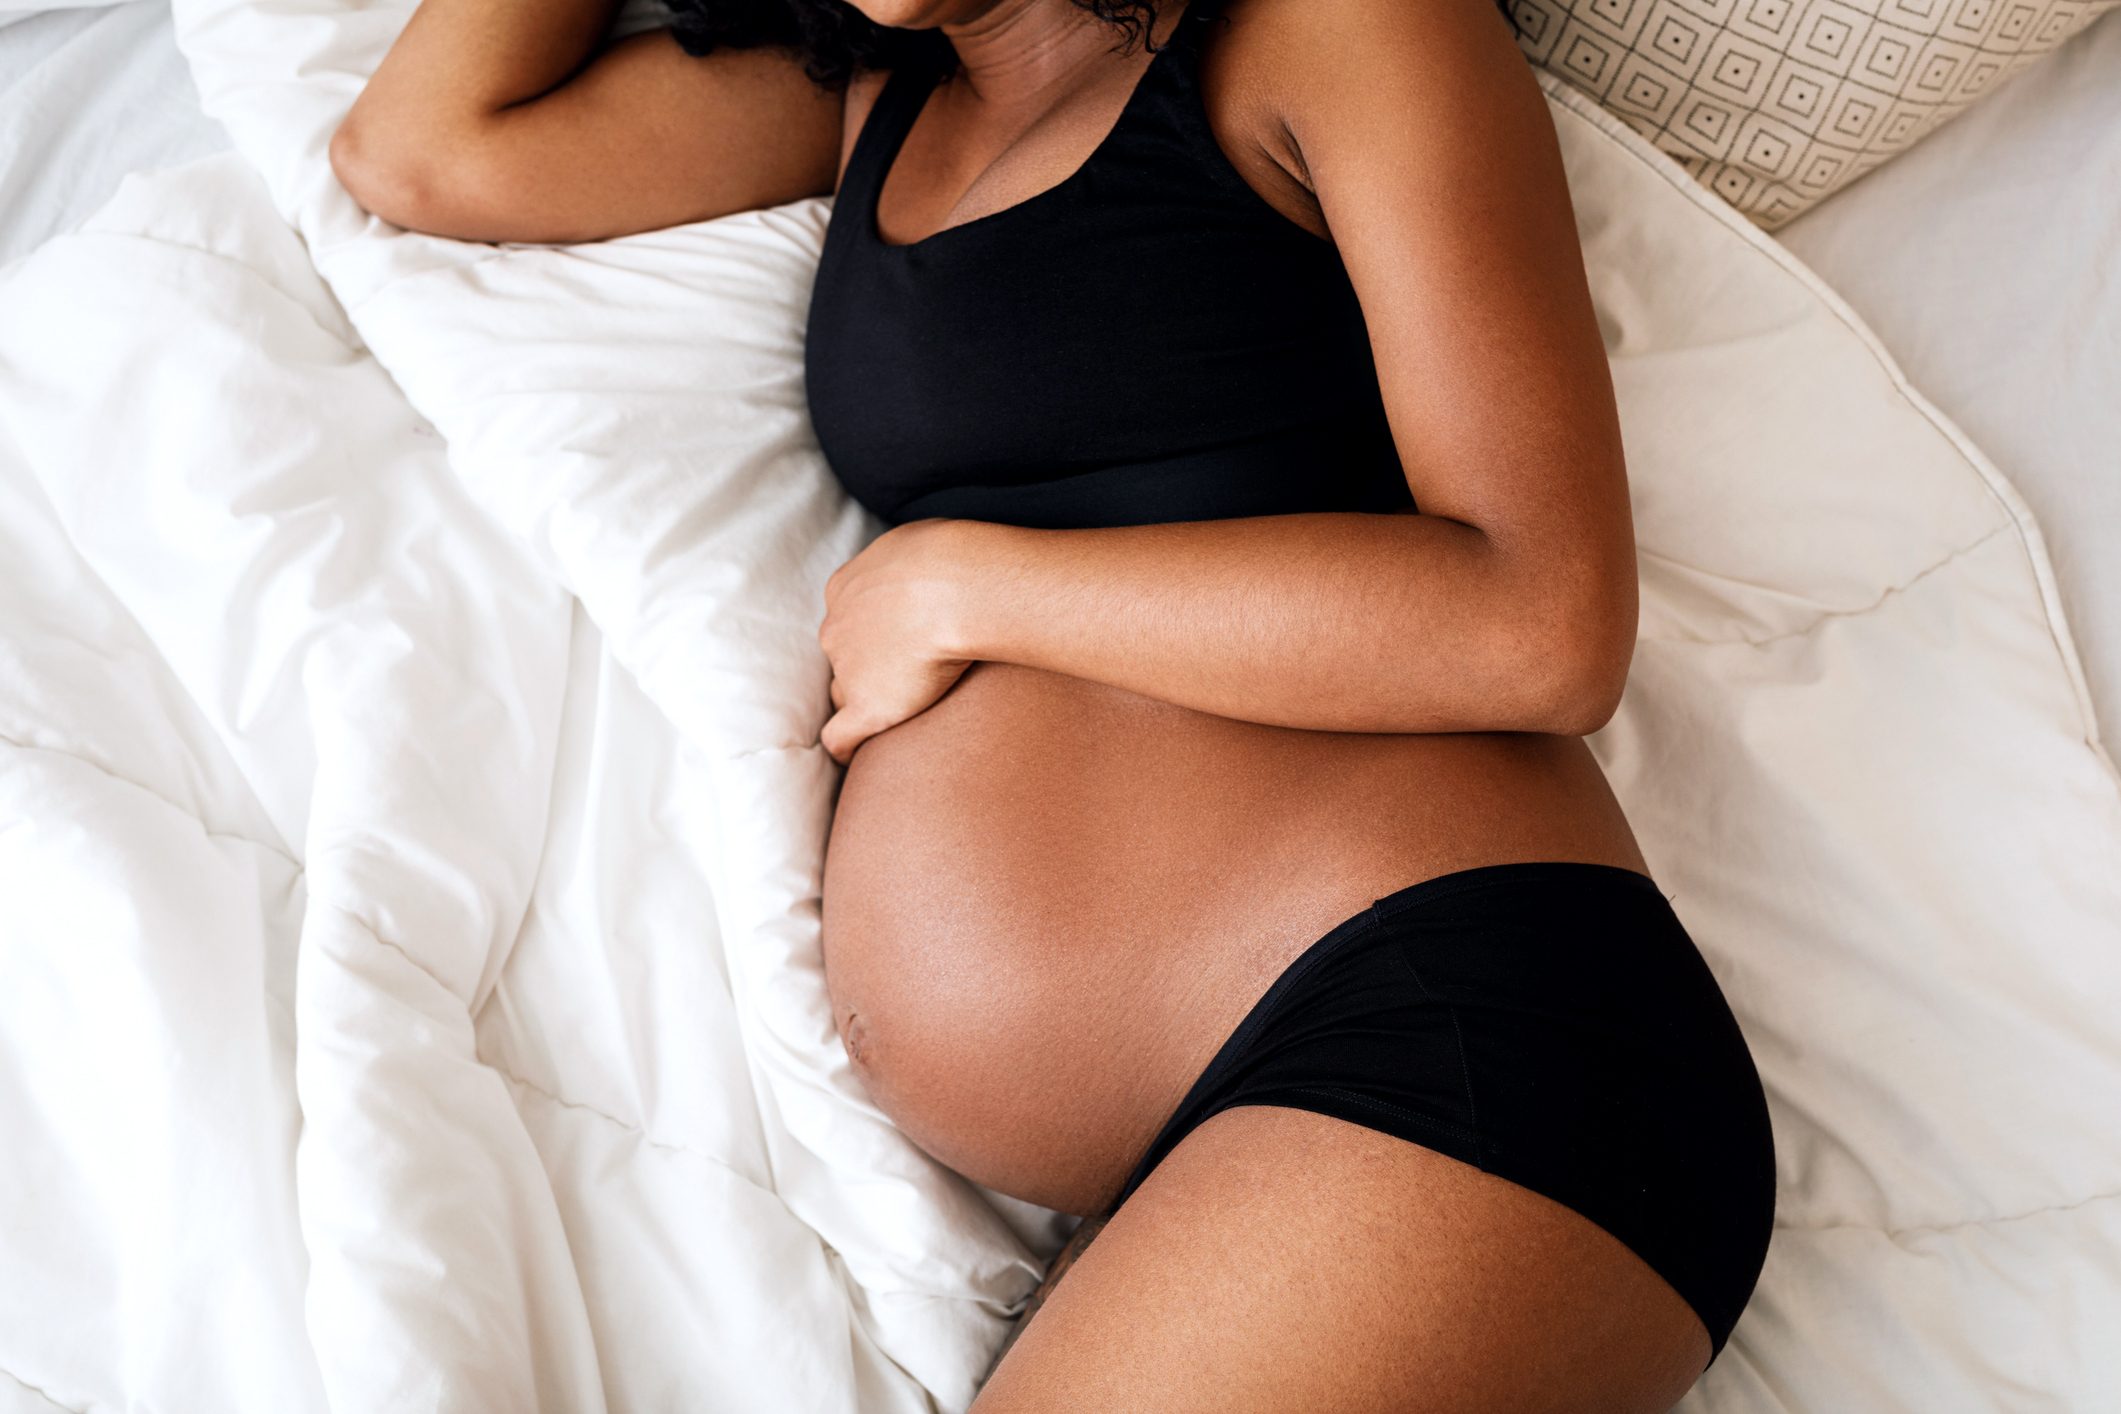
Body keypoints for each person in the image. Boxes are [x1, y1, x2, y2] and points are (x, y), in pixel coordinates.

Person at [332, 0, 1777, 1406]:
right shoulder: (869, 93)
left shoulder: (1337, 27)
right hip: (1237, 1151)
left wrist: (975, 587)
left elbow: (1539, 621)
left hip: (1456, 1049)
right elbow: (423, 151)